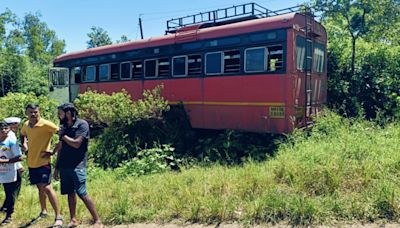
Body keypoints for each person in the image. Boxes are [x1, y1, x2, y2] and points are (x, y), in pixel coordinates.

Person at [54, 103, 101, 228]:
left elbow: (76, 144)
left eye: (61, 113)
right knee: (70, 193)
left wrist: (63, 136)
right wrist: (56, 167)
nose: (59, 116)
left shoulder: (82, 125)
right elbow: (61, 148)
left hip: (77, 165)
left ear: (68, 113)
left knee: (82, 192)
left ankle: (97, 221)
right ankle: (73, 220)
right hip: (64, 165)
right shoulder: (64, 126)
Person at [20, 104, 63, 227]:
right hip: (32, 162)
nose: (33, 114)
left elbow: (62, 135)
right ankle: (44, 211)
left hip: (44, 162)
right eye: (31, 112)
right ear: (26, 113)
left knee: (48, 188)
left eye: (35, 112)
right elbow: (22, 134)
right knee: (40, 188)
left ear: (39, 112)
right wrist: (24, 145)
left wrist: (53, 151)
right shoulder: (26, 124)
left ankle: (58, 216)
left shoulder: (46, 124)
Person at [0, 121, 22, 225]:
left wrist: (4, 161)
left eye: (6, 129)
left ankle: (9, 215)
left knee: (10, 194)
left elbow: (19, 157)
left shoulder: (12, 142)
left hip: (9, 172)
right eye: (1, 129)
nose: (4, 131)